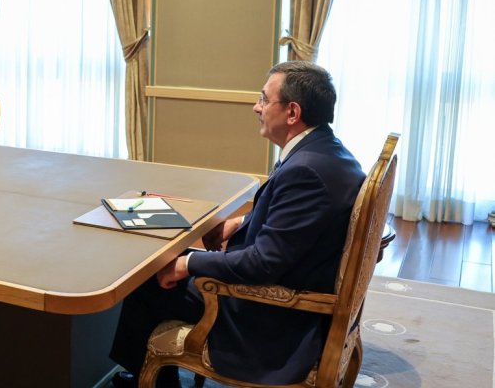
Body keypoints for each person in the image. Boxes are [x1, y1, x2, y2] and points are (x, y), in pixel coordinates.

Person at [107, 61, 366, 388]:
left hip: (267, 314)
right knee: (160, 260)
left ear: (292, 112)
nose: (256, 107)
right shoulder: (329, 152)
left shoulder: (306, 172)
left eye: (264, 99)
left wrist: (188, 264)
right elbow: (300, 224)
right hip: (299, 278)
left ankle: (149, 379)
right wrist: (239, 222)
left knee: (147, 277)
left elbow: (263, 263)